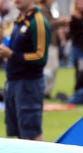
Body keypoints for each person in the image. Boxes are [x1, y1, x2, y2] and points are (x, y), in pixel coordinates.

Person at [0, 0, 50, 141]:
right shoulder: (19, 19)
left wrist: (11, 55)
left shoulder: (37, 21)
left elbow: (40, 57)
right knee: (18, 132)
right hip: (13, 81)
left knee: (31, 132)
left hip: (29, 84)